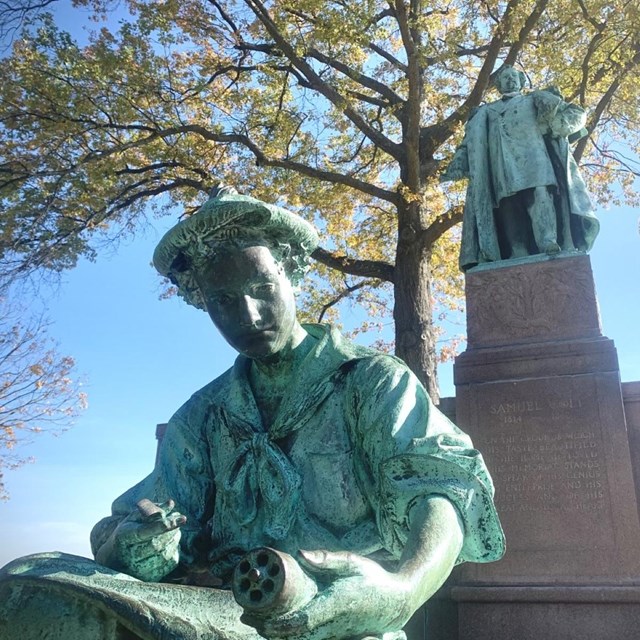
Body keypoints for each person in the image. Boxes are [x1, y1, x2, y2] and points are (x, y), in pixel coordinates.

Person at [0, 187, 505, 640]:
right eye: (223, 301)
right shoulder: (201, 416)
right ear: (202, 304)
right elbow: (133, 527)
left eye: (262, 290)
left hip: (334, 616)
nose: (248, 315)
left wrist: (404, 589)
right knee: (27, 580)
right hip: (212, 611)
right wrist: (140, 545)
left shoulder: (370, 381)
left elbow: (438, 487)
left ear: (292, 274)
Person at [441, 65, 599, 271]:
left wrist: (559, 126)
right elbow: (468, 145)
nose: (509, 81)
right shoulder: (485, 111)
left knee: (541, 195)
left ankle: (548, 240)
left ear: (521, 81)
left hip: (536, 158)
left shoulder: (535, 99)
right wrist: (453, 167)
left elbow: (572, 113)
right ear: (498, 85)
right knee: (508, 204)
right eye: (504, 78)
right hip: (502, 167)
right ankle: (518, 249)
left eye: (513, 77)